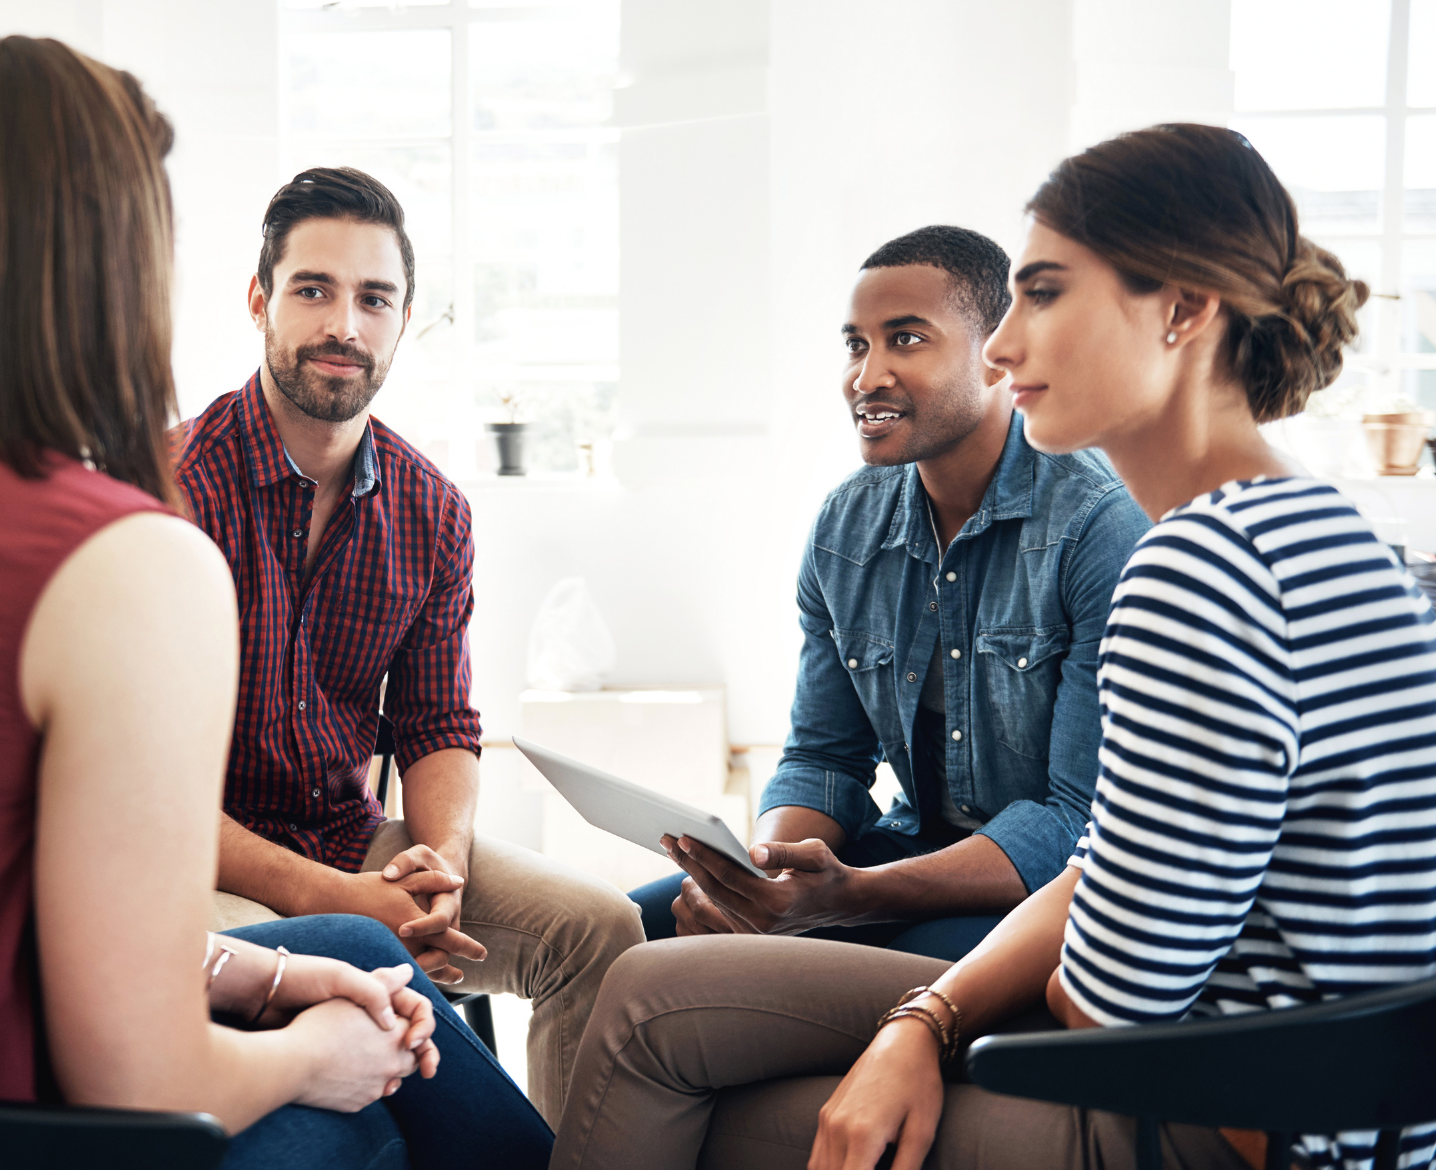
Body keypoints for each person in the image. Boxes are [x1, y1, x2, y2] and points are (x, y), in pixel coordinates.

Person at [0, 38, 550, 1170]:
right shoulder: (124, 554)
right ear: (108, 260)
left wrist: (272, 973)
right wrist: (310, 1057)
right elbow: (141, 1083)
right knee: (368, 1112)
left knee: (353, 967)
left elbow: (8, 898)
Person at [550, 123, 1436, 1170]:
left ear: (1185, 313)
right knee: (674, 998)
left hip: (1224, 1117)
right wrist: (923, 1012)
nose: (1008, 344)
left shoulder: (1189, 567)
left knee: (671, 1046)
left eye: (1047, 293)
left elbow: (1106, 997)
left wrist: (922, 1014)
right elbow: (1117, 862)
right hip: (1345, 1117)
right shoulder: (1335, 539)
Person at [173, 165, 643, 1127]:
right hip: (197, 868)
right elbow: (142, 796)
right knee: (339, 960)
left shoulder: (434, 511)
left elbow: (437, 724)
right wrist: (347, 903)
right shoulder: (169, 490)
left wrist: (439, 869)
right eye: (313, 290)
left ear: (403, 320)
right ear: (260, 301)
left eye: (373, 298)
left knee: (602, 930)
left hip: (356, 842)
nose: (344, 323)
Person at [630, 226, 1148, 961]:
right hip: (903, 850)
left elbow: (1078, 821)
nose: (865, 376)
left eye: (906, 340)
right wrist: (760, 878)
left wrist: (849, 897)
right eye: (855, 344)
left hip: (1042, 898)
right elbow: (824, 756)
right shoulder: (847, 526)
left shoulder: (1098, 527)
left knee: (746, 975)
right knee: (632, 930)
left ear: (998, 357)